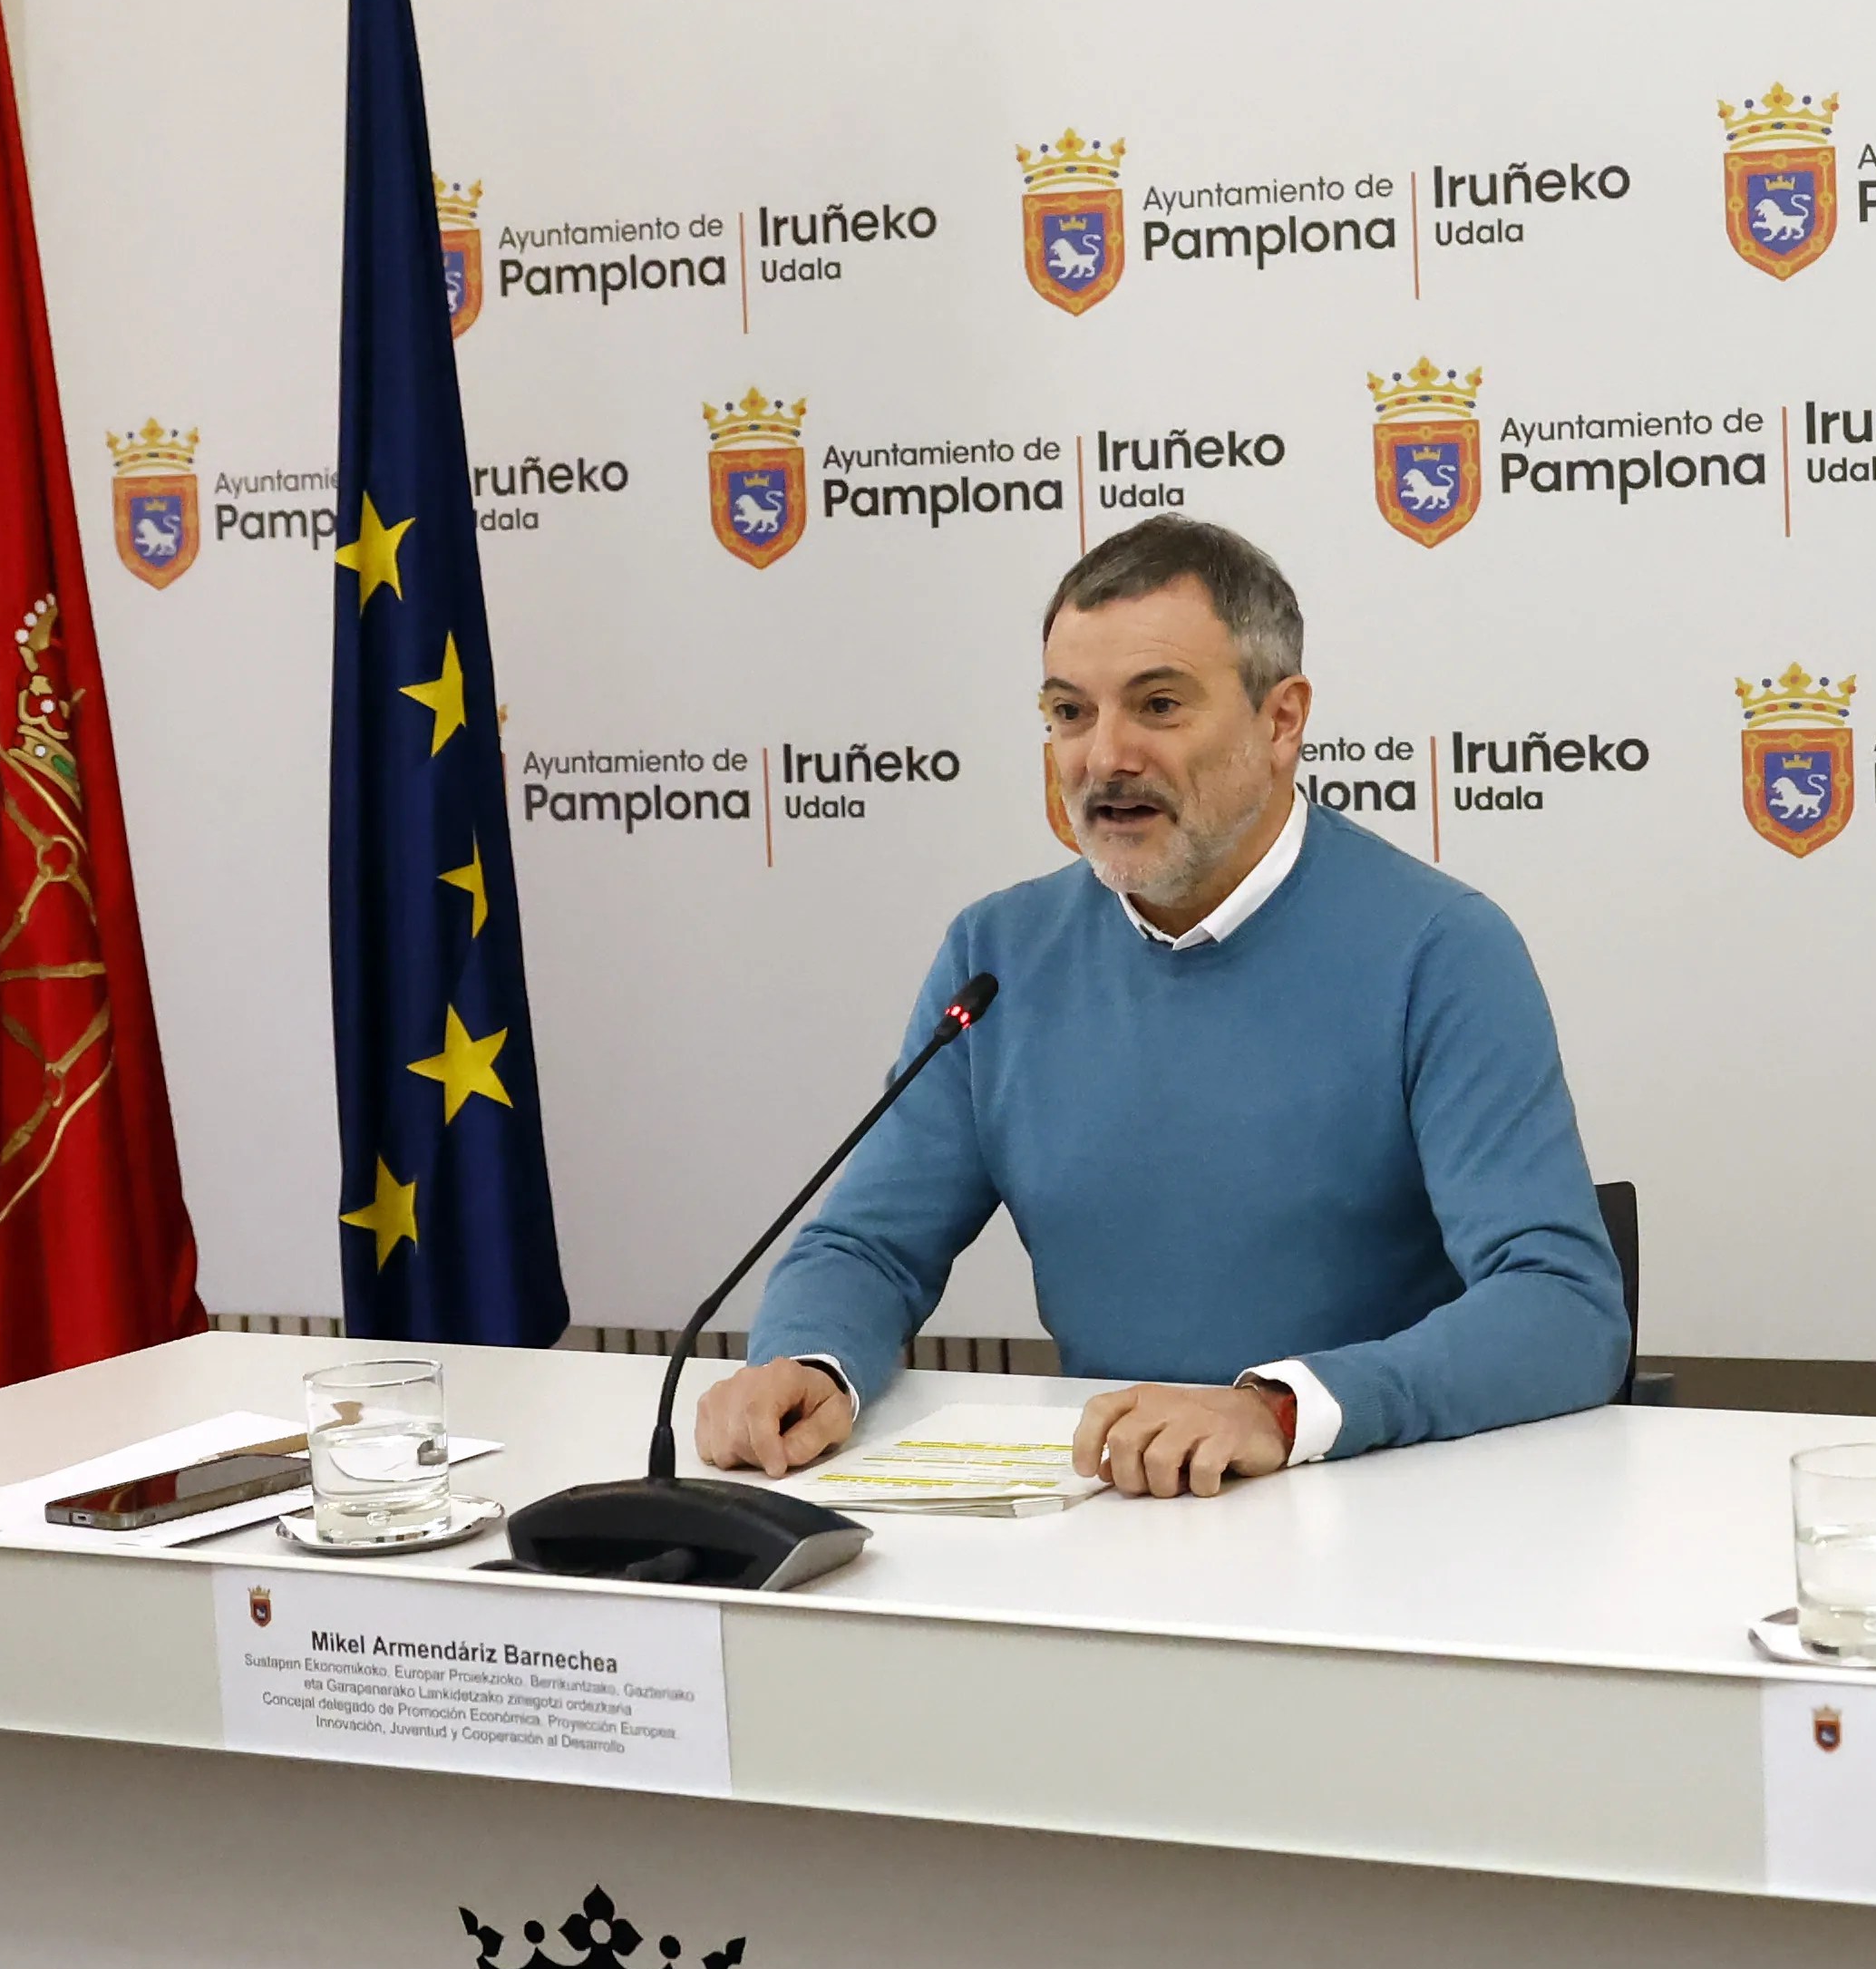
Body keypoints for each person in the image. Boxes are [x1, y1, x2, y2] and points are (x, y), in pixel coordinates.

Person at [693, 519, 1627, 1497]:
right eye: (1069, 712)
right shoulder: (997, 954)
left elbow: (1563, 1307)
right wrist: (808, 1360)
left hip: (1379, 1504)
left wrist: (1279, 1410)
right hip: (1115, 1511)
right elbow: (868, 1245)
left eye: (1160, 705)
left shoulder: (1441, 950)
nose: (1105, 756)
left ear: (1281, 721)